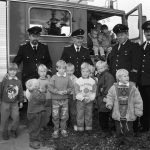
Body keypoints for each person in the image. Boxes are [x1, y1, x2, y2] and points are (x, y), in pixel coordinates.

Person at [105, 69, 143, 147]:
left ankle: (128, 142)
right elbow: (110, 96)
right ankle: (120, 140)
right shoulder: (114, 87)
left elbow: (138, 100)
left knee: (128, 129)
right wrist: (109, 103)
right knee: (119, 129)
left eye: (127, 75)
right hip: (118, 113)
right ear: (119, 78)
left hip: (129, 113)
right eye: (124, 76)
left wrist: (138, 110)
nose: (127, 77)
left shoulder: (133, 88)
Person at [48, 60, 73, 138]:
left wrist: (66, 91)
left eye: (63, 68)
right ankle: (56, 129)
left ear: (65, 69)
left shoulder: (68, 78)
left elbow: (71, 87)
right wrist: (57, 92)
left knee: (64, 115)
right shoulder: (54, 77)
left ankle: (63, 129)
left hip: (65, 99)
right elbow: (50, 87)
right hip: (55, 100)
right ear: (57, 68)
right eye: (60, 68)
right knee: (55, 115)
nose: (62, 70)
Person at [0, 63, 24, 140]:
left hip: (14, 103)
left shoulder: (18, 82)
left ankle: (13, 130)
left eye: (14, 70)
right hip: (4, 103)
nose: (12, 72)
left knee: (16, 117)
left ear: (17, 71)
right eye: (11, 70)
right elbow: (0, 90)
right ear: (8, 70)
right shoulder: (5, 80)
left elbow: (20, 92)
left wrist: (21, 101)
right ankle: (4, 132)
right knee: (4, 118)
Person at [74, 62, 97, 131]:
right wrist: (82, 98)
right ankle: (80, 127)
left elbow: (94, 91)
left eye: (87, 71)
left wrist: (91, 99)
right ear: (81, 71)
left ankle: (88, 126)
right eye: (83, 71)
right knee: (80, 114)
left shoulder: (92, 81)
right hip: (80, 101)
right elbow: (77, 92)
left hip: (89, 101)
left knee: (89, 114)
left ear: (90, 72)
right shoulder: (78, 81)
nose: (85, 73)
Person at [26, 78, 46, 149]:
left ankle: (36, 138)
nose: (39, 86)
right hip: (35, 114)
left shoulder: (33, 92)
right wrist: (43, 92)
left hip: (36, 113)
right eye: (38, 85)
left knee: (36, 127)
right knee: (34, 128)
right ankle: (33, 141)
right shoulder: (35, 93)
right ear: (35, 86)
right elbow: (43, 99)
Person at [95, 60, 115, 135]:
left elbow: (109, 87)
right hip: (100, 98)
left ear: (105, 67)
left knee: (104, 114)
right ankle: (105, 128)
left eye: (101, 68)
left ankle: (106, 130)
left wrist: (106, 96)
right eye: (98, 68)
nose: (99, 70)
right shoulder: (100, 75)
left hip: (105, 98)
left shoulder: (108, 76)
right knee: (102, 113)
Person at [138, 20, 150, 132]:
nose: (148, 33)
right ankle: (145, 125)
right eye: (146, 31)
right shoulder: (142, 46)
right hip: (142, 82)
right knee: (144, 104)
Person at [66, 63, 78, 131]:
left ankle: (74, 124)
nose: (69, 72)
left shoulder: (75, 78)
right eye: (68, 70)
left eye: (71, 71)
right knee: (65, 110)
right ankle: (65, 124)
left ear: (73, 71)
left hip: (73, 97)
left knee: (73, 111)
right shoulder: (63, 78)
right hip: (65, 96)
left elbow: (76, 88)